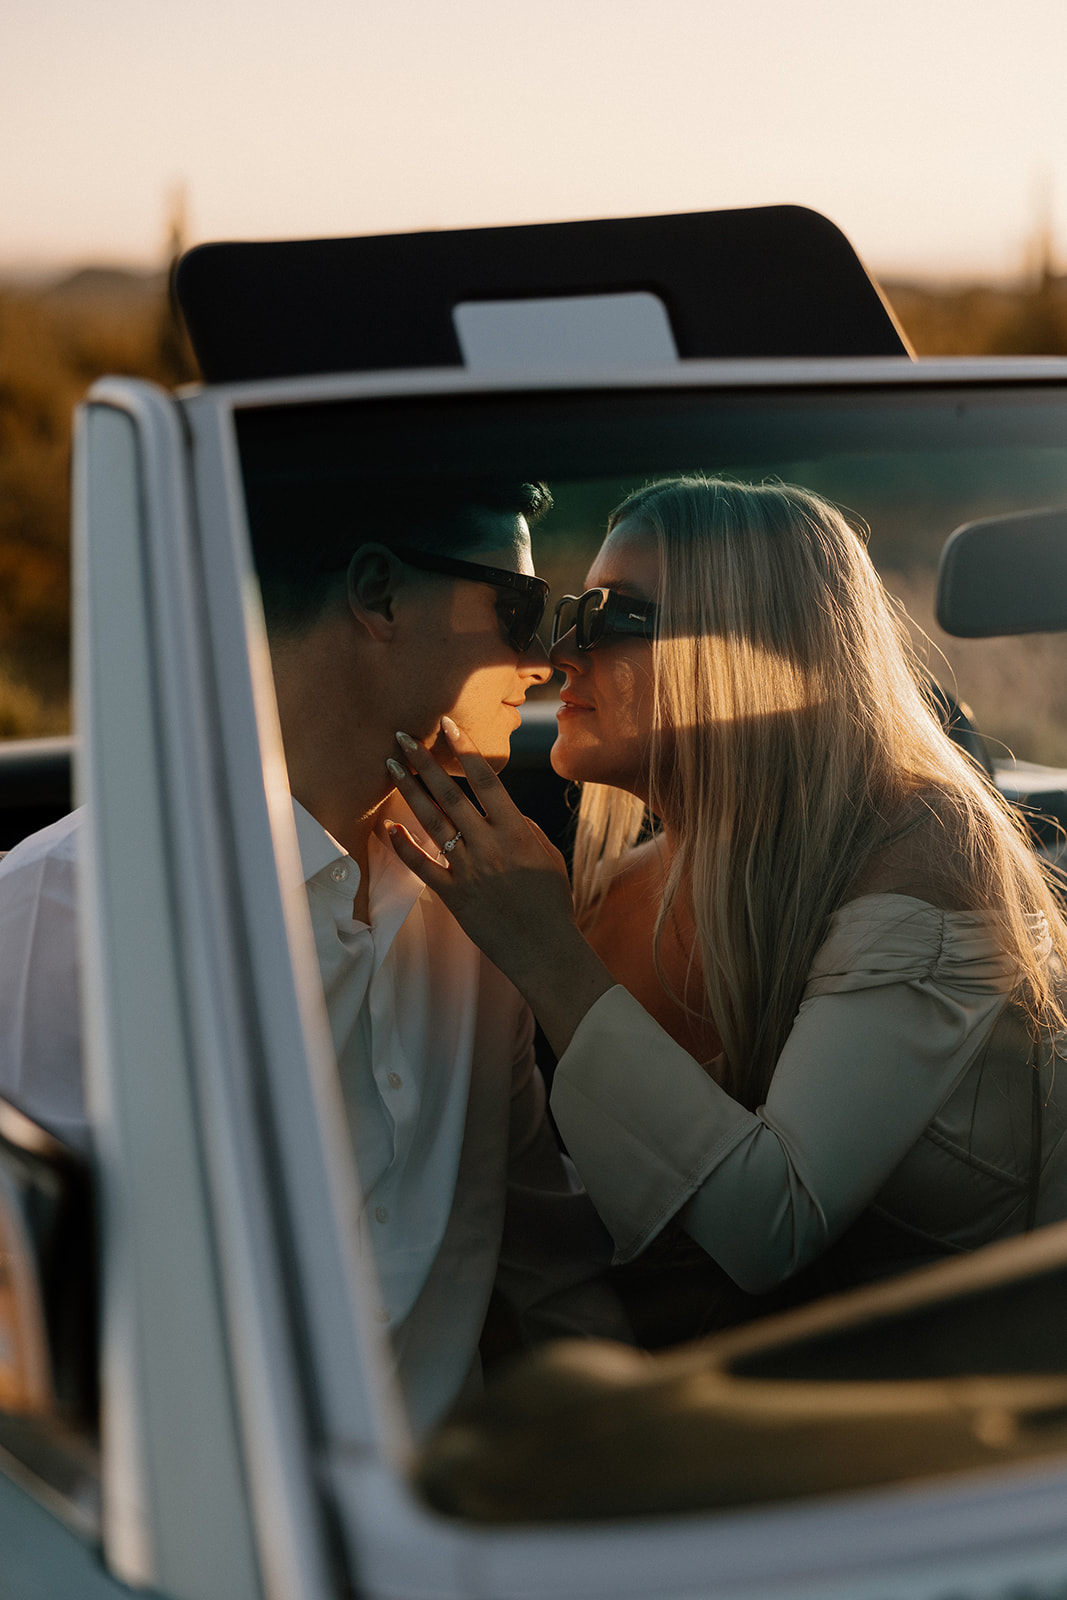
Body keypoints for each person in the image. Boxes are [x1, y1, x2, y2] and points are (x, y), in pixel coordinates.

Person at [0, 477, 626, 1436]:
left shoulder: (482, 915)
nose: (543, 659)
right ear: (377, 596)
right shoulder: (59, 909)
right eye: (516, 609)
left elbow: (546, 1267)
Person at [384, 475, 1067, 1314]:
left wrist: (545, 955)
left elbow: (766, 1227)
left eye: (608, 618)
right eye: (571, 614)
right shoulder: (625, 887)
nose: (561, 653)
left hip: (959, 1410)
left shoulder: (921, 848)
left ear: (745, 649)